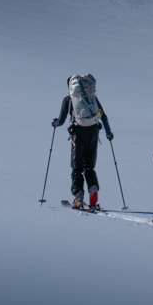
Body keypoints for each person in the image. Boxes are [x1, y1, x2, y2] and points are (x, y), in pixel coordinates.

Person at [52, 73, 113, 210]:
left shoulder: (68, 100)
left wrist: (54, 123)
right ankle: (93, 190)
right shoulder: (92, 99)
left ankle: (78, 196)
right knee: (89, 166)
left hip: (78, 134)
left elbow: (61, 121)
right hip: (93, 132)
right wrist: (108, 133)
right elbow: (103, 116)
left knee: (77, 167)